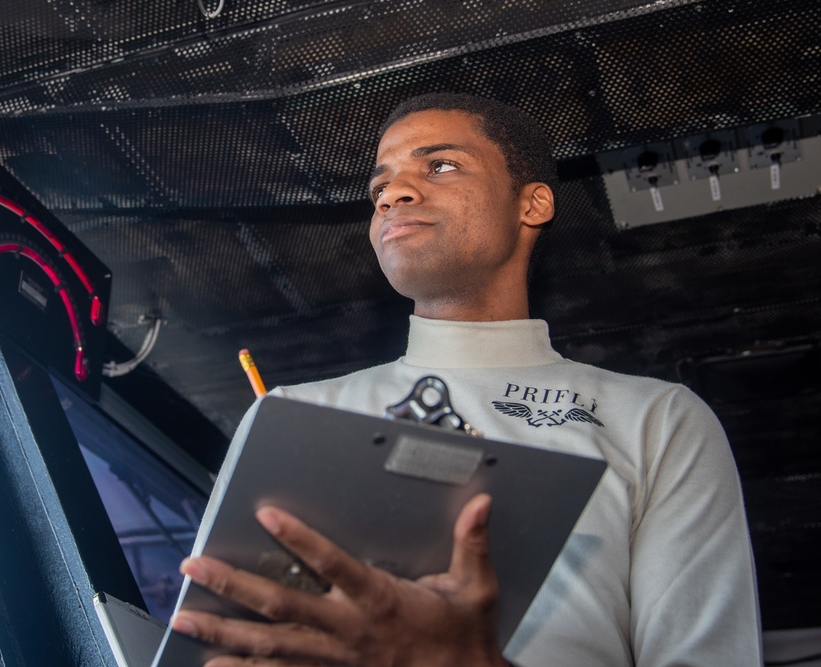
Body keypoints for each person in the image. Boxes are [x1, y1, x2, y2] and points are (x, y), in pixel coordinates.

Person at [167, 93, 762, 666]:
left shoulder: (655, 418)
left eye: (442, 165)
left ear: (532, 205)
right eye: (379, 187)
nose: (391, 194)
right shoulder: (291, 413)